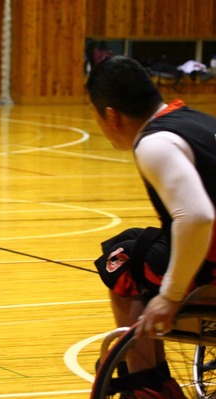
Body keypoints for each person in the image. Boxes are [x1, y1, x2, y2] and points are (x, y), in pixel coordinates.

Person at [87, 55, 216, 398]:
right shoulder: (197, 121)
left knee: (120, 258)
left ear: (111, 115)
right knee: (140, 242)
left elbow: (198, 217)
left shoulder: (155, 143)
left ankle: (148, 385)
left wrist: (171, 296)